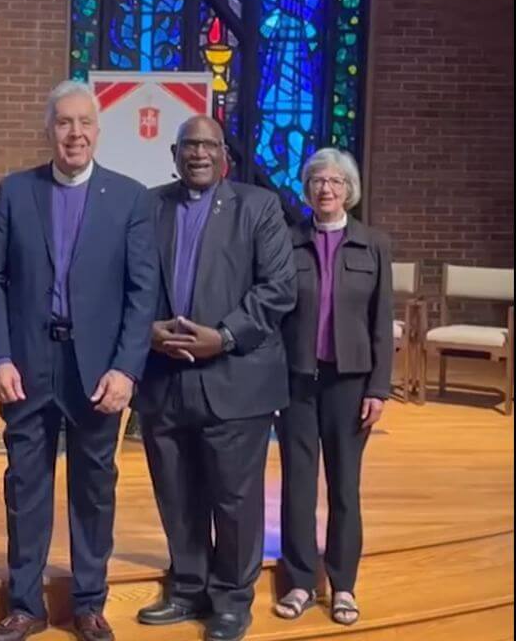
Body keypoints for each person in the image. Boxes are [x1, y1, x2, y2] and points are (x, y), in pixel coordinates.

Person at [0, 80, 158, 641]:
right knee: (25, 485)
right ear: (49, 130)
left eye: (84, 123)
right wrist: (0, 355)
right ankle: (26, 603)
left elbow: (141, 291)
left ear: (97, 131)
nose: (74, 134)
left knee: (93, 487)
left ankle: (88, 601)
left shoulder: (130, 198)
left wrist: (127, 368)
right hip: (29, 366)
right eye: (63, 123)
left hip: (99, 370)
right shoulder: (15, 191)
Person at [134, 116, 296, 641]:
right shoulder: (149, 206)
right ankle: (186, 589)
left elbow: (277, 289)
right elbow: (129, 282)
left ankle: (231, 599)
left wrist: (223, 336)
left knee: (234, 497)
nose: (198, 153)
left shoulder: (258, 207)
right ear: (174, 154)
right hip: (164, 377)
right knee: (177, 493)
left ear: (224, 154)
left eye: (208, 144)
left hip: (235, 377)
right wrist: (147, 331)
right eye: (188, 145)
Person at [273, 148, 392, 627]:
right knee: (297, 486)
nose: (326, 188)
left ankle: (342, 584)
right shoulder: (287, 241)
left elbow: (382, 322)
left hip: (350, 383)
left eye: (336, 180)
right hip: (298, 382)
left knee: (345, 487)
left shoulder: (373, 244)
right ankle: (301, 581)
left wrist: (378, 389)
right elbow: (277, 317)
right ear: (307, 189)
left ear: (350, 190)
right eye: (318, 180)